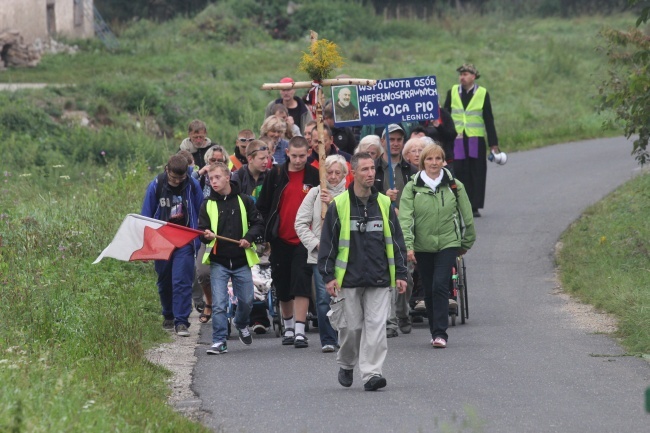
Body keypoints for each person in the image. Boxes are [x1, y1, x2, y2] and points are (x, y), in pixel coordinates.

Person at [318, 152, 408, 391]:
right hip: (348, 278)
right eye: (365, 169)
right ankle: (347, 363)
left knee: (377, 327)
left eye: (373, 169)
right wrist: (328, 276)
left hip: (379, 277)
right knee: (352, 328)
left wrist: (400, 273)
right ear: (354, 173)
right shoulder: (340, 206)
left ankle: (371, 374)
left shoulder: (384, 204)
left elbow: (397, 241)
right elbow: (329, 244)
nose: (371, 174)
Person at [398, 144, 476, 348]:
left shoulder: (454, 185)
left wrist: (465, 242)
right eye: (429, 159)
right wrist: (408, 246)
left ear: (444, 161)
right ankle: (435, 330)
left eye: (438, 159)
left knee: (441, 285)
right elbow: (405, 219)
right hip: (422, 246)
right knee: (430, 289)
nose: (434, 163)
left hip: (448, 243)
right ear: (423, 162)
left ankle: (441, 333)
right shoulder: (412, 187)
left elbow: (467, 217)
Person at [256, 136, 320, 348]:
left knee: (301, 281)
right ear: (287, 154)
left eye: (302, 156)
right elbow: (263, 206)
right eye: (294, 156)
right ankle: (289, 325)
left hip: (306, 238)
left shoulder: (315, 175)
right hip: (280, 237)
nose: (299, 160)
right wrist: (265, 234)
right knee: (282, 284)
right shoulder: (276, 174)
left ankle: (301, 329)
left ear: (309, 153)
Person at [199, 163, 265, 354]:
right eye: (211, 179)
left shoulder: (244, 201)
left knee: (246, 301)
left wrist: (248, 238)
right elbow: (201, 230)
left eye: (217, 177)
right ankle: (219, 341)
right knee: (219, 304)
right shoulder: (207, 204)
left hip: (240, 261)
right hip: (219, 261)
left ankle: (241, 322)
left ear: (228, 177)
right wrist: (207, 234)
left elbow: (258, 223)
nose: (214, 182)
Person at [141, 154, 204, 336]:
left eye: (180, 178)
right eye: (173, 177)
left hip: (184, 239)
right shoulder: (156, 185)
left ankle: (181, 322)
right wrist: (146, 247)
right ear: (167, 170)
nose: (176, 181)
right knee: (164, 280)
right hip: (161, 239)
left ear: (186, 174)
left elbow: (201, 211)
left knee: (181, 280)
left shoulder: (192, 185)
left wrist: (200, 237)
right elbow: (145, 216)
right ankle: (168, 313)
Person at [295, 154, 348, 353]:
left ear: (344, 174)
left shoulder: (350, 194)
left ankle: (346, 336)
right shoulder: (315, 193)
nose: (333, 177)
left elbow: (351, 218)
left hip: (346, 254)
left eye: (337, 172)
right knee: (325, 297)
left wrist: (334, 202)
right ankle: (327, 338)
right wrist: (316, 244)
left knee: (346, 297)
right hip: (320, 255)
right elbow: (300, 223)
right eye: (329, 172)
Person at [374, 124, 418, 338]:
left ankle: (402, 311)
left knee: (405, 276)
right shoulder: (372, 169)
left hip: (405, 232)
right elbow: (363, 197)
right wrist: (384, 199)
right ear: (382, 141)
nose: (395, 143)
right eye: (390, 139)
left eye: (399, 139)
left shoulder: (411, 171)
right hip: (379, 232)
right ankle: (389, 321)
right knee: (385, 277)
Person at [443, 63, 501, 217]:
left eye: (465, 74)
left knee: (477, 172)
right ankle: (460, 205)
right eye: (461, 74)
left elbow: (489, 120)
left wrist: (493, 144)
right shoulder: (453, 92)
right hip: (458, 139)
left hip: (476, 140)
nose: (462, 77)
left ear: (473, 76)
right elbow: (445, 114)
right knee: (460, 172)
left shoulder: (482, 93)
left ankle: (475, 206)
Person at [231, 139, 272, 333]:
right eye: (262, 158)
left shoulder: (271, 177)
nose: (266, 162)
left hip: (265, 233)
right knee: (247, 273)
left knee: (263, 273)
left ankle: (260, 317)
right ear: (250, 158)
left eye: (268, 158)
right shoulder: (237, 178)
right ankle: (244, 315)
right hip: (244, 234)